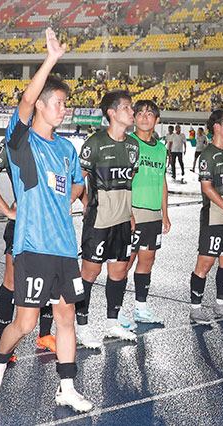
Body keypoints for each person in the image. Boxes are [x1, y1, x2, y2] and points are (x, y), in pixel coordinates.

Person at [0, 28, 91, 412]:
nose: (64, 110)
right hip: (32, 246)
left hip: (64, 247)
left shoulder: (67, 148)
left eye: (66, 104)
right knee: (26, 325)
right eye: (59, 103)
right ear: (42, 106)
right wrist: (51, 59)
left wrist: (63, 200)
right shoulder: (22, 142)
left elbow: (77, 184)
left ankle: (67, 388)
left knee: (66, 318)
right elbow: (25, 100)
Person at [0, 139, 57, 358]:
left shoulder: (57, 142)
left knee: (50, 281)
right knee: (12, 281)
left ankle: (45, 335)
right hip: (23, 225)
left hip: (50, 226)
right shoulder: (12, 141)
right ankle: (5, 342)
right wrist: (7, 210)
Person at [76, 90, 139, 346]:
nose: (132, 112)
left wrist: (129, 213)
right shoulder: (95, 143)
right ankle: (81, 328)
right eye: (127, 108)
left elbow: (128, 182)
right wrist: (85, 201)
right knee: (90, 273)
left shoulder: (133, 145)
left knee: (119, 272)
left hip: (122, 221)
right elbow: (78, 179)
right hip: (99, 220)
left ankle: (112, 324)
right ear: (111, 113)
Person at [189, 110, 223, 323]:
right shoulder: (207, 154)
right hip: (214, 218)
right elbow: (207, 187)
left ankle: (221, 305)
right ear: (217, 127)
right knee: (205, 262)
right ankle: (195, 308)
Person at [125, 100, 168, 325]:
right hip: (133, 212)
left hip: (153, 215)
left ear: (157, 120)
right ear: (133, 118)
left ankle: (140, 308)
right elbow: (123, 180)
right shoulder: (128, 144)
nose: (144, 117)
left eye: (149, 114)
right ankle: (116, 311)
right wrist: (127, 212)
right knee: (125, 262)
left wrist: (165, 213)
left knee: (147, 260)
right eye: (140, 113)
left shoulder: (161, 148)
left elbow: (162, 181)